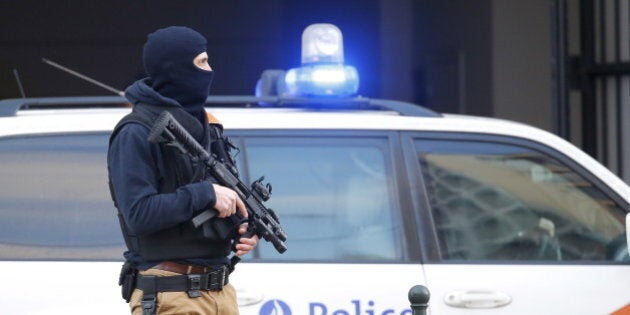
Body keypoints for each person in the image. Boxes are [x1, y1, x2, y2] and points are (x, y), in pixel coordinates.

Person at [107, 26, 258, 315]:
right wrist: (205, 193)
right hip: (172, 293)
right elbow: (139, 213)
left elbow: (222, 200)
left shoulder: (207, 127)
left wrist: (242, 228)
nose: (210, 70)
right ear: (175, 66)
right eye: (202, 62)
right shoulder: (136, 131)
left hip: (220, 293)